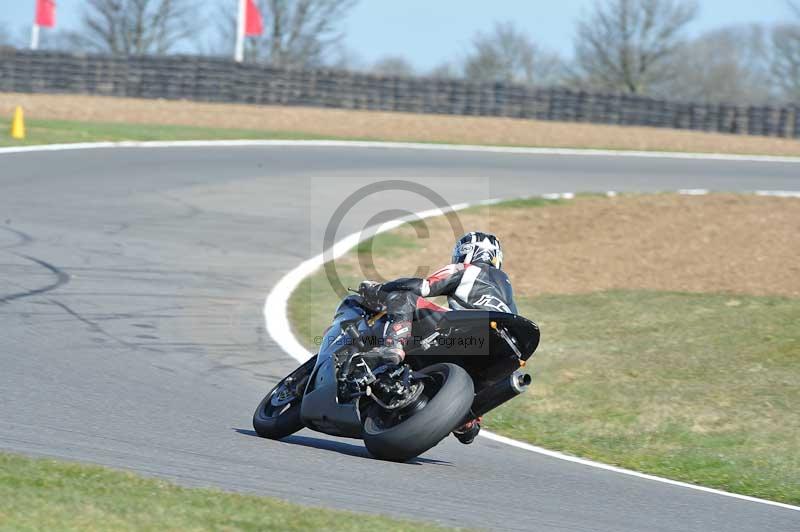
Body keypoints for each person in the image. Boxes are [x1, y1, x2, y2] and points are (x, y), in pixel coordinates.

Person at [359, 231, 517, 444]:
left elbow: (422, 287)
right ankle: (468, 418)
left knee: (404, 296)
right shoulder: (506, 287)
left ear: (466, 253)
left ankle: (394, 346)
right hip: (505, 345)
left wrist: (380, 289)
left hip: (468, 329)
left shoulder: (466, 269)